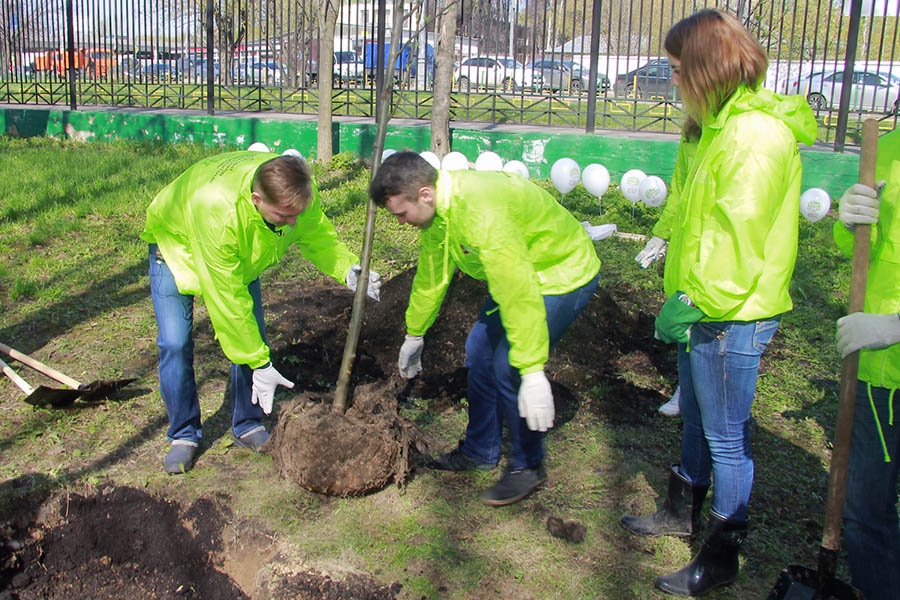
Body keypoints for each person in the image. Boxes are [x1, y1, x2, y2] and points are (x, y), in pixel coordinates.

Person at [618, 9, 817, 597]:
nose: (673, 81)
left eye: (679, 70)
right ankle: (682, 510)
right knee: (700, 419)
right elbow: (691, 206)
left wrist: (694, 301)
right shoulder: (717, 126)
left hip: (732, 313)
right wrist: (667, 250)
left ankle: (722, 554)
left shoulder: (756, 137)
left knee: (727, 435)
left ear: (708, 68)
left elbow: (738, 240)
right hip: (701, 303)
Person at [369, 151, 601, 506]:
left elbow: (518, 291)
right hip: (521, 271)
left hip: (560, 272)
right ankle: (480, 450)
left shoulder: (480, 211)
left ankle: (528, 465)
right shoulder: (439, 217)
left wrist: (534, 369)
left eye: (401, 213)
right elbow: (432, 275)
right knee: (479, 350)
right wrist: (415, 333)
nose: (400, 222)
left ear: (425, 195)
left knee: (510, 364)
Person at [141, 151, 382, 475]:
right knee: (176, 343)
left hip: (239, 253)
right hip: (174, 247)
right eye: (285, 215)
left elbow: (317, 236)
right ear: (257, 199)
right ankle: (183, 435)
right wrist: (259, 360)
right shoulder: (218, 212)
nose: (294, 221)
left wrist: (347, 268)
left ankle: (247, 424)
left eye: (298, 212)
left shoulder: (294, 191)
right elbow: (227, 300)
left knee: (251, 334)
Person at [835, 127, 900, 600]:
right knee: (864, 514)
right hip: (879, 379)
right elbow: (865, 253)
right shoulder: (891, 147)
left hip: (887, 341)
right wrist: (850, 221)